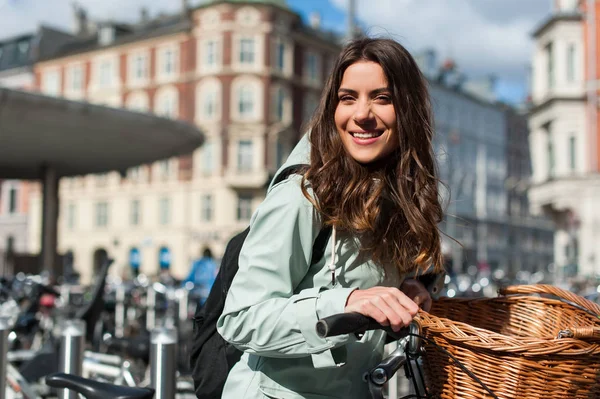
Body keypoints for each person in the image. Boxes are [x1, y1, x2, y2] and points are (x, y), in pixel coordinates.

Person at [216, 37, 445, 398]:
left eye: (382, 98)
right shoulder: (302, 196)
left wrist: (410, 288)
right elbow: (240, 320)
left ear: (409, 111)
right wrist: (345, 302)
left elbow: (376, 286)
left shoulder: (393, 194)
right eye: (348, 97)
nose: (362, 114)